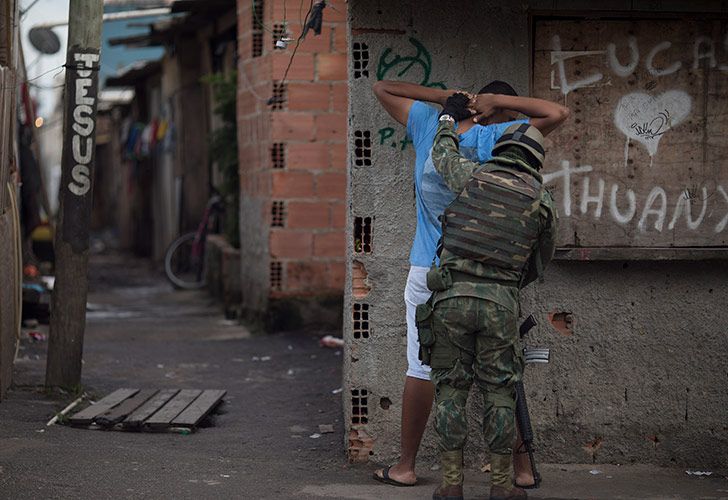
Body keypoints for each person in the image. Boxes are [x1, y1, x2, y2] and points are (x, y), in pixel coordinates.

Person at [371, 80, 569, 488]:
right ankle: (520, 471)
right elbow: (556, 113)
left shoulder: (432, 125)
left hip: (430, 270)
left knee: (427, 371)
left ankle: (409, 467)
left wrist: (443, 99)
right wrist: (498, 105)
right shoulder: (502, 140)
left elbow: (382, 87)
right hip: (494, 281)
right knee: (501, 379)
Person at [422, 95, 558, 500]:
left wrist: (447, 118)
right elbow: (540, 261)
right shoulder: (540, 200)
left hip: (449, 300)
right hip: (500, 304)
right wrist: (507, 286)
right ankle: (501, 488)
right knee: (499, 392)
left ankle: (451, 485)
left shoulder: (472, 175)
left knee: (451, 390)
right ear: (534, 159)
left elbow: (442, 151)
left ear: (501, 151)